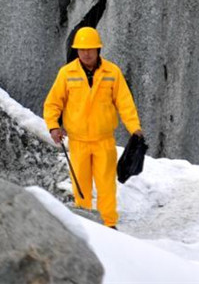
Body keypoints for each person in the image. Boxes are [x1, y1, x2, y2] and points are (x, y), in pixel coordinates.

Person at [43, 27, 143, 229]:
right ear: (77, 51)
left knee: (106, 185)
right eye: (81, 49)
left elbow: (125, 103)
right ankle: (85, 223)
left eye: (90, 49)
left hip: (104, 141)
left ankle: (109, 225)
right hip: (78, 141)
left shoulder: (112, 72)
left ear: (98, 49)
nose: (86, 53)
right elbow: (53, 103)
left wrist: (135, 128)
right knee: (81, 187)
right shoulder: (67, 73)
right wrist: (53, 126)